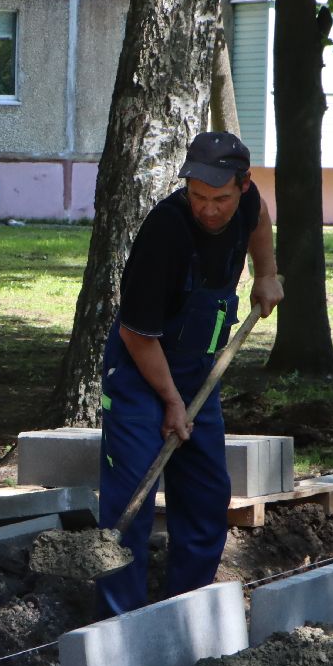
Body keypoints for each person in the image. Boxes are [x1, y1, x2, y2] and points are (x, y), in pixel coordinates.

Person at [96, 131, 283, 617]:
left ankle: (187, 613)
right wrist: (171, 401)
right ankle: (122, 624)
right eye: (198, 196)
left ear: (242, 185)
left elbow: (259, 217)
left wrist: (266, 272)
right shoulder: (165, 233)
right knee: (131, 499)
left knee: (205, 495)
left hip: (199, 369)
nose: (209, 208)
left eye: (220, 198)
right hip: (141, 372)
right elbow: (138, 335)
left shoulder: (247, 202)